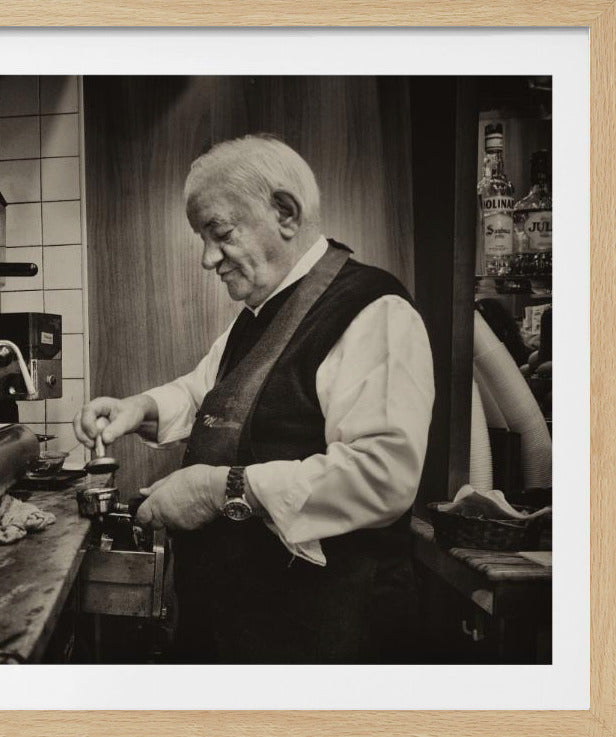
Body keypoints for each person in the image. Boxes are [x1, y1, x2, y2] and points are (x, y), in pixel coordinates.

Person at [72, 134, 435, 664]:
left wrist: (219, 491)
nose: (206, 258)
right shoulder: (258, 315)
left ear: (285, 213)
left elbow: (383, 474)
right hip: (239, 630)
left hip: (326, 642)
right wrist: (138, 409)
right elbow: (205, 393)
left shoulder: (374, 310)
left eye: (219, 233)